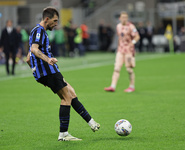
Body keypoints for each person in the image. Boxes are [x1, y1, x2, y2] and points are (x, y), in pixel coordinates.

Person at [26, 7, 100, 141]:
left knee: (71, 93)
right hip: (49, 70)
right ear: (47, 19)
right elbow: (34, 49)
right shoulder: (39, 31)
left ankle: (92, 122)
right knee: (67, 97)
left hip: (47, 72)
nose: (56, 24)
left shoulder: (35, 31)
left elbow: (28, 58)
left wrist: (37, 73)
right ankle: (64, 134)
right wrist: (47, 61)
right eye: (54, 21)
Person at [104, 11, 140, 93]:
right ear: (120, 18)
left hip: (129, 51)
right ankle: (113, 86)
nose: (124, 19)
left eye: (125, 17)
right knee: (116, 68)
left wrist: (132, 43)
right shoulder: (118, 26)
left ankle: (132, 86)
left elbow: (137, 36)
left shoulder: (131, 26)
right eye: (122, 17)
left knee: (129, 69)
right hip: (120, 51)